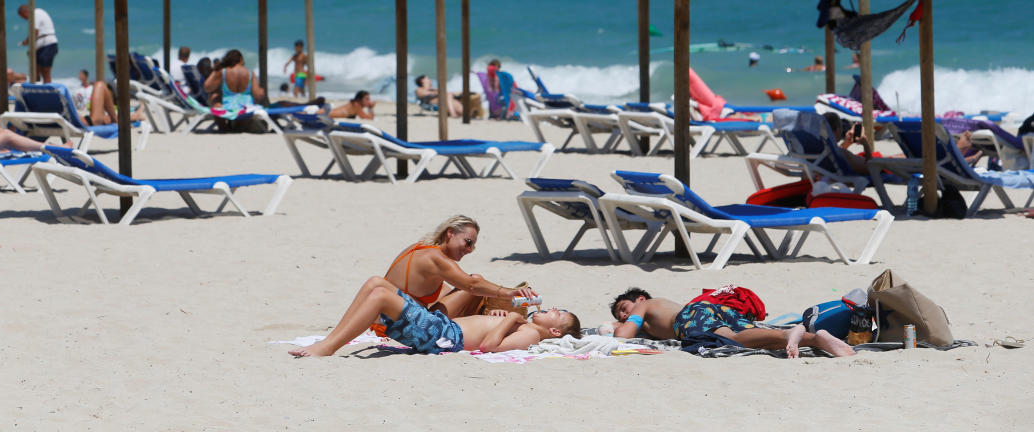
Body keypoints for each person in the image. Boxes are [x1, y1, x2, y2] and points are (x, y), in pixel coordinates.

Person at [288, 277, 579, 357]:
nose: (554, 308)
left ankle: (327, 348)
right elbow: (493, 334)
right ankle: (330, 340)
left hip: (443, 337)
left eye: (559, 314)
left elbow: (489, 347)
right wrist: (503, 318)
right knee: (376, 283)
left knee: (379, 295)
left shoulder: (528, 333)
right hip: (441, 328)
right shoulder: (523, 326)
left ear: (554, 332)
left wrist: (510, 321)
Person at [602, 287, 855, 358]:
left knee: (731, 341)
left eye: (623, 309)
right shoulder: (652, 316)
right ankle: (815, 339)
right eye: (619, 315)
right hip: (712, 310)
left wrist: (616, 326)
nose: (623, 316)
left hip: (691, 317)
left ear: (640, 298)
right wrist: (617, 323)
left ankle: (790, 332)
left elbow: (623, 336)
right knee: (755, 339)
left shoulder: (646, 305)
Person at [378, 215, 538, 321]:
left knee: (475, 287)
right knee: (475, 281)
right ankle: (490, 317)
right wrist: (508, 293)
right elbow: (471, 285)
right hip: (402, 323)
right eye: (468, 242)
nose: (469, 249)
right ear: (450, 233)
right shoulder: (437, 258)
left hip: (389, 319)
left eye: (473, 247)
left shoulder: (420, 248)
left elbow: (447, 293)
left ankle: (489, 315)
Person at [203, 49, 267, 113]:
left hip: (227, 107)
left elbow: (207, 87)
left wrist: (216, 70)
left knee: (214, 96)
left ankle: (223, 122)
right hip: (247, 108)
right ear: (240, 59)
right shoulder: (250, 73)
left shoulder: (223, 71)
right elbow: (257, 95)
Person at [18, 4, 57, 83]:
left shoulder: (36, 13)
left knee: (45, 71)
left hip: (48, 43)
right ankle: (37, 85)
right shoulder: (37, 14)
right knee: (36, 71)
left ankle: (46, 89)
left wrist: (28, 43)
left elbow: (35, 32)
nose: (25, 19)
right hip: (43, 43)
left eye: (23, 17)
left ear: (25, 12)